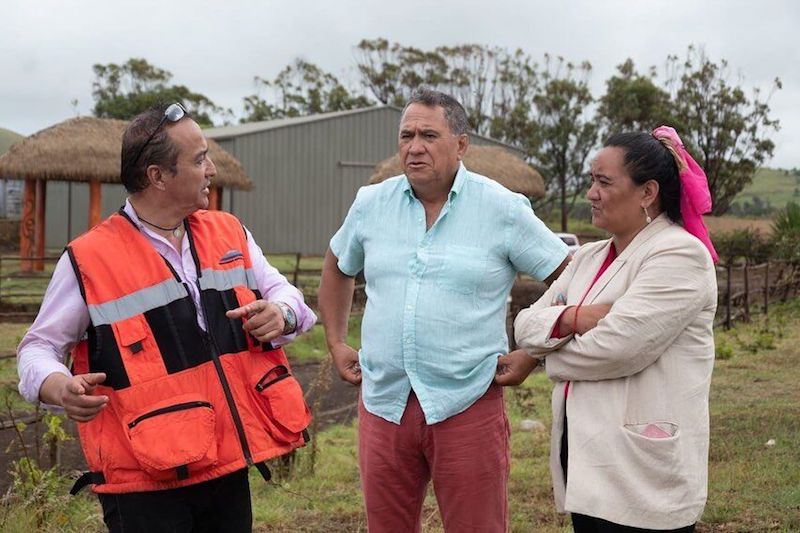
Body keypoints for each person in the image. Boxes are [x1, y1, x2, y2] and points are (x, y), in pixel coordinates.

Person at [16, 102, 316, 532]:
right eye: (198, 160)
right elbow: (37, 348)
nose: (211, 169)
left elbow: (287, 295)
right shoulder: (89, 259)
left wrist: (282, 313)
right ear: (157, 176)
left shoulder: (230, 231)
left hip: (227, 466)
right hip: (144, 485)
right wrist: (58, 386)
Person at [318, 88, 570, 532]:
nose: (414, 147)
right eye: (406, 135)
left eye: (429, 135)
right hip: (384, 402)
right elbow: (338, 265)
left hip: (467, 402)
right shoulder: (371, 204)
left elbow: (570, 278)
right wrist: (337, 342)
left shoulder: (502, 209)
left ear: (461, 144)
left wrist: (533, 352)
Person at [505, 126, 718, 531]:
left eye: (604, 182)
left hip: (642, 470)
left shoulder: (679, 255)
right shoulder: (588, 256)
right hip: (587, 464)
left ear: (647, 192)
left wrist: (544, 357)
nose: (591, 193)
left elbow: (617, 349)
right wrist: (576, 318)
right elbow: (524, 325)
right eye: (591, 180)